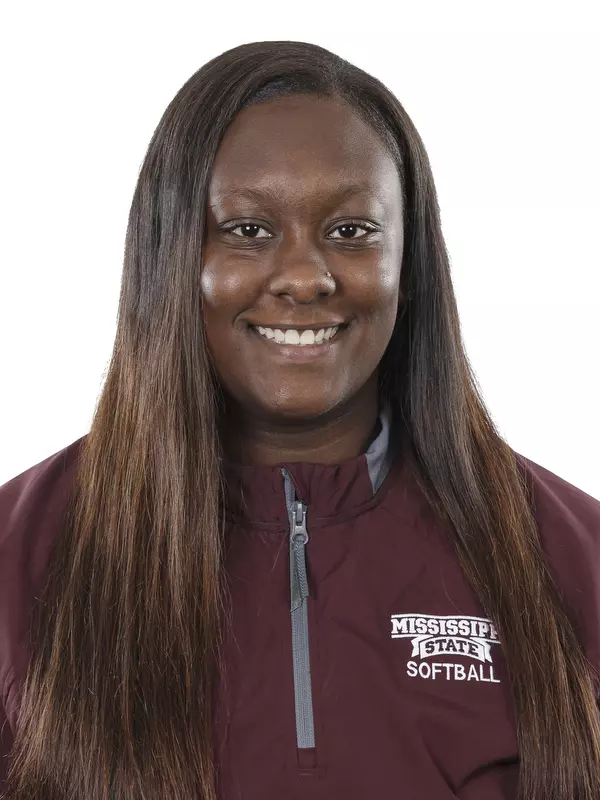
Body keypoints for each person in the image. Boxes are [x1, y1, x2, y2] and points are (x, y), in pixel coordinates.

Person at [0, 40, 599, 800]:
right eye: (248, 230)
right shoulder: (19, 561)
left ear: (409, 269)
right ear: (171, 257)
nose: (304, 278)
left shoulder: (575, 562)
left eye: (351, 232)